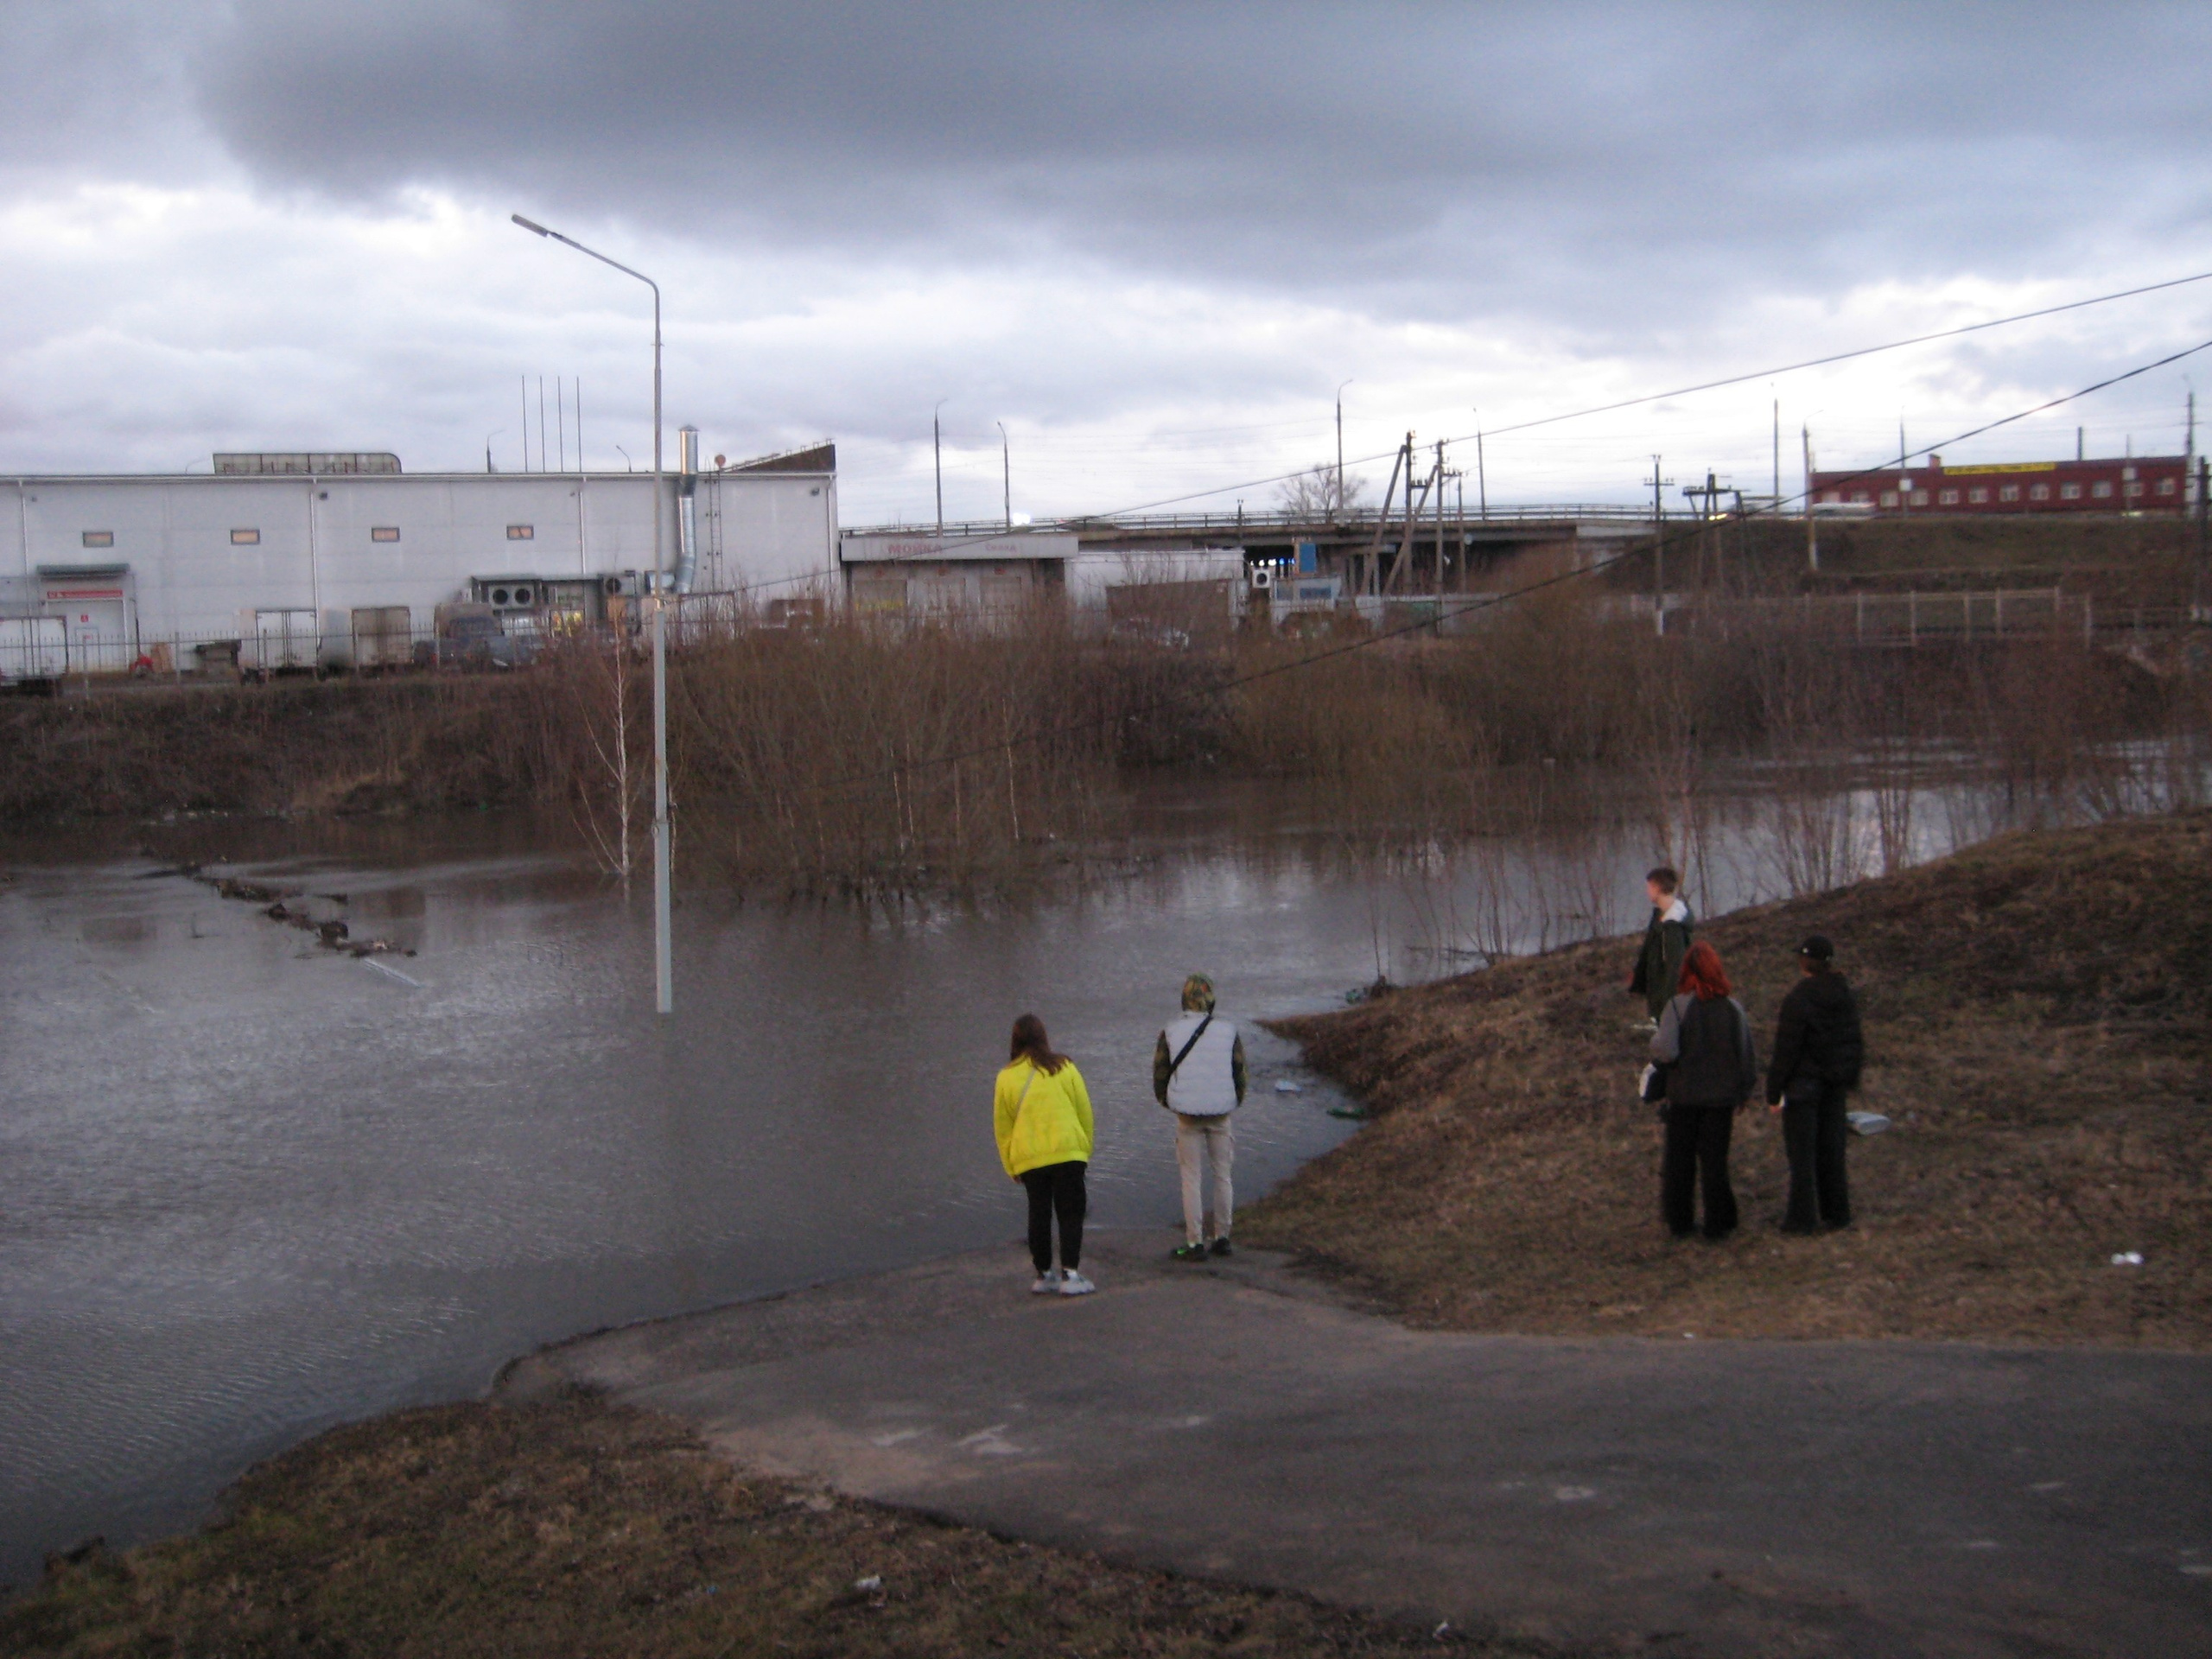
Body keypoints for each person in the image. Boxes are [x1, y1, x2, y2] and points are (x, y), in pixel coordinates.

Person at [1649, 940, 1757, 1241]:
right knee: (1715, 1162)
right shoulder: (1733, 1009)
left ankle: (1680, 1221)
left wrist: (1654, 1042)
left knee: (1680, 1162)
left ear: (1687, 972)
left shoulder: (1677, 1006)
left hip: (1684, 1097)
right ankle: (1719, 1223)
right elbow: (1746, 1053)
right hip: (1720, 1099)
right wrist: (1744, 1091)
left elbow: (1667, 1051)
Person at [1765, 935, 1866, 1234]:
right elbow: (1853, 1041)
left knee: (1802, 1156)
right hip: (1833, 1085)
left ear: (1805, 962)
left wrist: (1774, 1091)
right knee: (1832, 1151)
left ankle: (1802, 1219)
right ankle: (1837, 1213)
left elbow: (1787, 1049)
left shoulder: (1798, 999)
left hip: (1803, 1088)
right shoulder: (1843, 994)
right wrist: (1848, 1076)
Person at [994, 1013, 1097, 1296]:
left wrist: (1010, 1165)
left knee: (1038, 1213)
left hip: (1030, 1158)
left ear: (1015, 1040)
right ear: (1044, 1037)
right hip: (1068, 1151)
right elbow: (1084, 1111)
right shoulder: (1065, 1067)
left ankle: (1044, 1274)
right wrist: (1084, 1147)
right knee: (1070, 1213)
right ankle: (1071, 1274)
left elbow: (1003, 1127)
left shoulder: (1006, 1077)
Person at [1153, 972, 1246, 1261]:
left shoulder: (1169, 1031)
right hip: (1221, 1113)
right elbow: (1240, 1074)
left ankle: (1194, 1242)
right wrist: (1233, 1101)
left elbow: (1160, 1076)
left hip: (1187, 1115)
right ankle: (1222, 1237)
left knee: (1190, 1177)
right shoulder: (1229, 1031)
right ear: (1211, 1000)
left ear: (1184, 999)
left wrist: (1170, 1102)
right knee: (1223, 1174)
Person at [1628, 866, 1694, 1025]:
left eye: (1649, 887)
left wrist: (1668, 1008)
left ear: (1657, 888)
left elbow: (1674, 970)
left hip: (1669, 1003)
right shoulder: (1659, 916)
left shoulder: (1672, 928)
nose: (1647, 892)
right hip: (1658, 995)